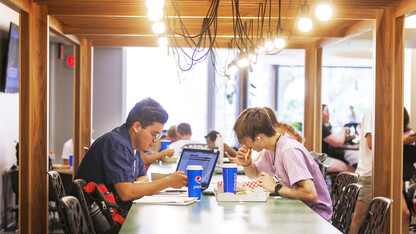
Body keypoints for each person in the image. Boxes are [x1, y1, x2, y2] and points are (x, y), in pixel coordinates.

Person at [74, 98, 188, 215]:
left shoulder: (134, 147)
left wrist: (133, 186)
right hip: (95, 219)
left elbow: (144, 177)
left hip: (110, 212)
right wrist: (169, 181)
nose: (155, 140)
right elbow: (126, 193)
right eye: (154, 134)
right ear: (137, 127)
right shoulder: (116, 143)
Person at [233, 107, 332, 221]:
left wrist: (276, 187)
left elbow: (310, 194)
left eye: (244, 141)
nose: (243, 146)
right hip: (298, 212)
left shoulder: (288, 150)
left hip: (316, 217)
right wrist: (247, 163)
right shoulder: (270, 149)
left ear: (258, 136)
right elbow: (254, 174)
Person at [349, 107, 410, 234]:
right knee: (359, 219)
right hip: (369, 174)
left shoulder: (387, 112)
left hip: (387, 172)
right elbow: (372, 144)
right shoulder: (373, 111)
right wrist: (402, 141)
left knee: (404, 214)